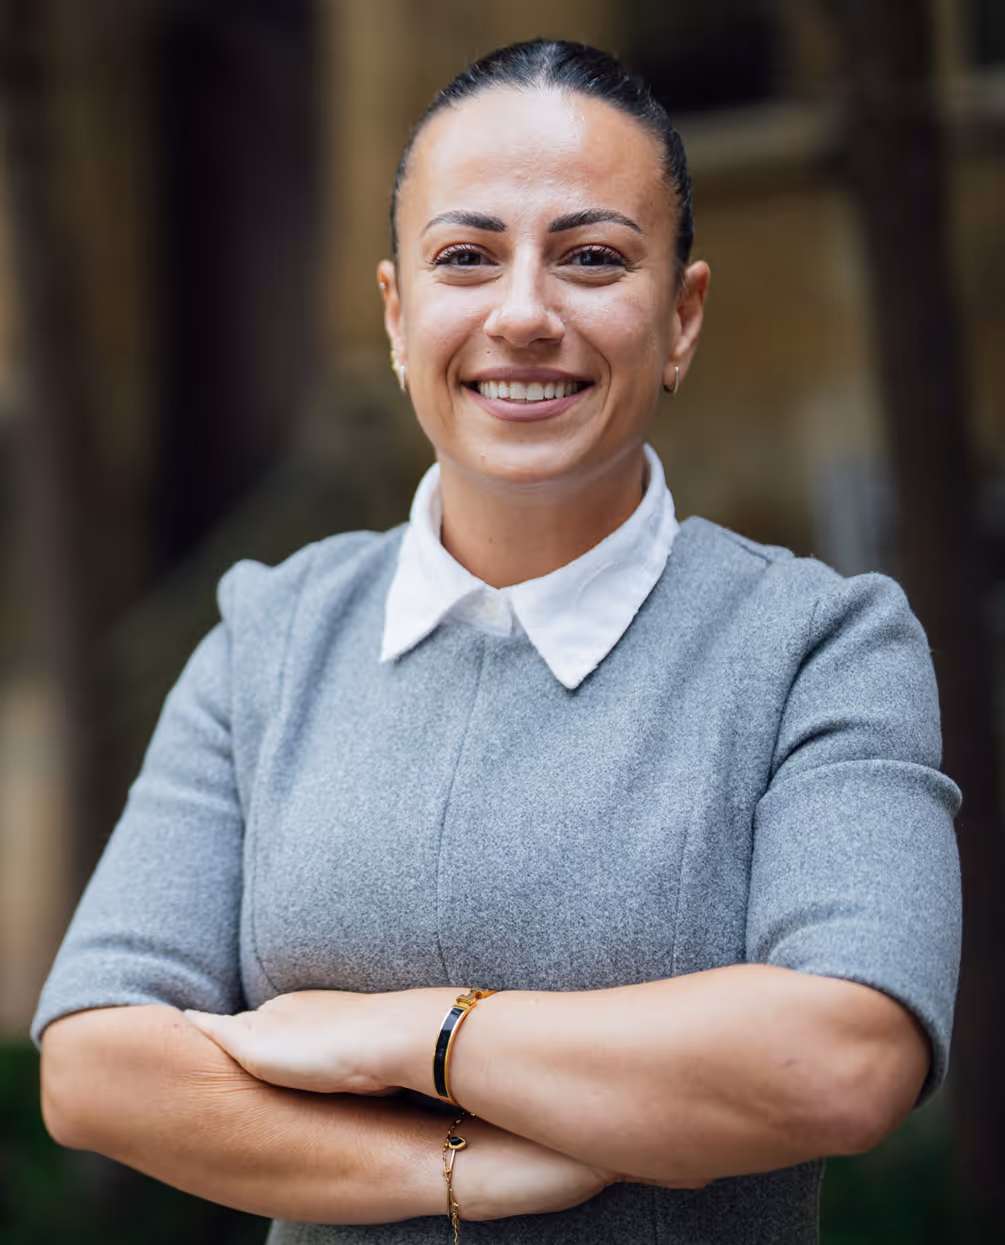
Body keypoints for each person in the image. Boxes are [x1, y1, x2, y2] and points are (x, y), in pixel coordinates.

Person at [32, 39, 961, 1245]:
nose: (524, 314)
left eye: (590, 258)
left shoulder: (819, 648)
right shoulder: (271, 633)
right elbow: (96, 1065)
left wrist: (408, 1031)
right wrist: (470, 1170)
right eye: (466, 257)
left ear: (681, 319)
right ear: (397, 312)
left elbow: (844, 1058)